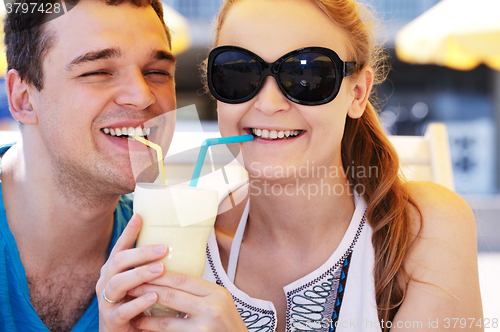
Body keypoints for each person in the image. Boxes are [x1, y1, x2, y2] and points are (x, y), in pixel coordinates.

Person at [102, 0, 483, 331]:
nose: (268, 104)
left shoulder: (423, 227)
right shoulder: (175, 244)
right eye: (239, 72)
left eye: (307, 75)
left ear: (358, 93)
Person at [1, 0, 176, 331]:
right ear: (24, 99)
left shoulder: (184, 248)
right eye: (97, 71)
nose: (142, 96)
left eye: (156, 73)